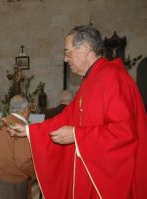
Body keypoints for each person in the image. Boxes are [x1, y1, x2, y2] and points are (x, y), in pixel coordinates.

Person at [8, 25, 147, 199]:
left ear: (85, 48)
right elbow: (66, 118)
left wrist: (77, 135)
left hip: (106, 180)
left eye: (68, 52)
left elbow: (124, 133)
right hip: (88, 174)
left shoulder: (113, 77)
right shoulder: (90, 81)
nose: (66, 59)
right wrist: (28, 130)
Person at [0, 95, 35, 199]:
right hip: (13, 182)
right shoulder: (21, 127)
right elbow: (23, 161)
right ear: (26, 109)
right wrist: (36, 173)